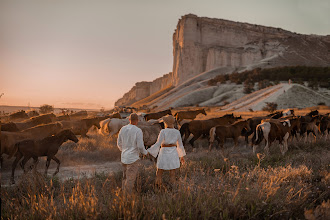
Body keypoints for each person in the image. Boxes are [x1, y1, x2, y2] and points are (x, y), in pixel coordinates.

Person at [147, 115, 186, 188]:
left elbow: (158, 143)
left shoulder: (163, 131)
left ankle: (158, 187)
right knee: (172, 172)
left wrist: (149, 151)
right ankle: (172, 189)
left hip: (164, 152)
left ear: (166, 123)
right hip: (173, 153)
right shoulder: (177, 132)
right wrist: (181, 156)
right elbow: (180, 145)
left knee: (159, 171)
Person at [117, 113, 148, 194]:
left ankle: (123, 196)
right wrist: (145, 152)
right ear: (137, 120)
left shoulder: (122, 129)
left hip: (124, 157)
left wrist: (124, 150)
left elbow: (118, 143)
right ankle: (127, 198)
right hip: (133, 158)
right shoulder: (138, 130)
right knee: (130, 179)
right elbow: (140, 146)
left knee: (125, 178)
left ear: (129, 120)